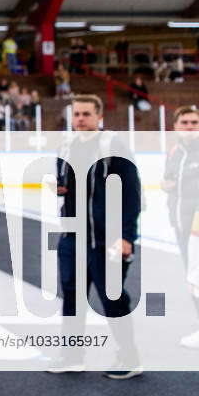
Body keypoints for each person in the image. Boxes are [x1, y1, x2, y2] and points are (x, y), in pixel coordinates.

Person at [51, 95, 142, 378]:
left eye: (86, 114)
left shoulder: (114, 146)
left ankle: (130, 357)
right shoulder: (66, 145)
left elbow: (132, 194)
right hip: (72, 238)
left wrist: (127, 236)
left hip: (107, 240)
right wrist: (61, 189)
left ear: (99, 117)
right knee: (71, 297)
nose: (80, 119)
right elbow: (65, 183)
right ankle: (73, 356)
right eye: (77, 114)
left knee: (112, 298)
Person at [162, 105, 199, 348]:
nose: (189, 127)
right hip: (182, 226)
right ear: (175, 126)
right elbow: (169, 181)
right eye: (184, 122)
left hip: (197, 228)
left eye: (194, 122)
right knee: (193, 279)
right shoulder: (175, 151)